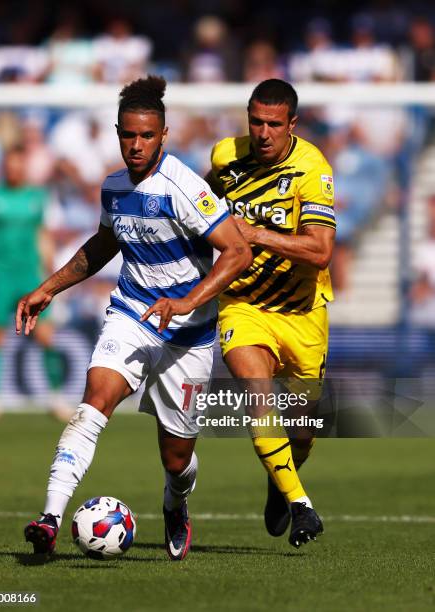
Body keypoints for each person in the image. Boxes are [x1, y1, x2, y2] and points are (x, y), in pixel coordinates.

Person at [17, 75, 252, 561]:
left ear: (163, 135)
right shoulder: (114, 187)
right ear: (117, 132)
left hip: (188, 334)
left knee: (176, 457)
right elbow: (104, 246)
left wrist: (188, 302)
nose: (136, 145)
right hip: (132, 314)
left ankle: (176, 501)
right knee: (93, 402)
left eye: (147, 136)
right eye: (128, 135)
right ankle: (50, 518)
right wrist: (48, 288)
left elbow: (238, 252)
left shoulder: (184, 187)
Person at [206, 79, 336, 548]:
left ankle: (280, 478)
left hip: (302, 312)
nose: (263, 133)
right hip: (243, 305)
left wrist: (257, 234)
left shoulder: (312, 168)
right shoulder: (225, 157)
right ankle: (302, 506)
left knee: (302, 429)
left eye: (274, 124)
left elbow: (320, 251)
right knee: (258, 395)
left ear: (292, 125)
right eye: (256, 122)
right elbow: (201, 209)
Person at [0, 146, 69, 422]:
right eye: (9, 164)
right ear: (3, 166)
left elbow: (43, 237)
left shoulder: (36, 198)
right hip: (0, 275)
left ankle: (56, 396)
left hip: (30, 276)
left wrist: (53, 276)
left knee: (45, 335)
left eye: (17, 164)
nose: (13, 169)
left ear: (23, 166)